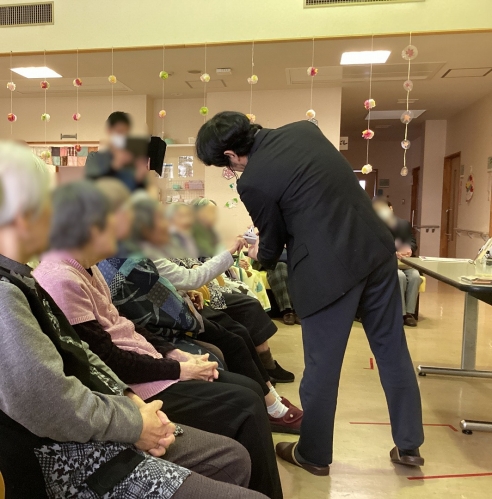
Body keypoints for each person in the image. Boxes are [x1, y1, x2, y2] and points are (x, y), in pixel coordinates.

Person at [0, 141, 267, 499]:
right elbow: (57, 400)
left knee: (232, 426)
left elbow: (86, 352)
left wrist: (134, 399)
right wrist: (137, 414)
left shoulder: (32, 277)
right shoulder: (30, 285)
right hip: (72, 458)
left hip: (119, 399)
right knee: (234, 376)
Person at [195, 112, 425, 475]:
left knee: (322, 367)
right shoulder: (305, 130)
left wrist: (258, 254)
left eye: (226, 166)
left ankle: (313, 454)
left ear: (230, 155)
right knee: (393, 351)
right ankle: (409, 446)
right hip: (375, 249)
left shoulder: (252, 181)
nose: (232, 171)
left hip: (327, 271)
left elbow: (271, 245)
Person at [132, 194, 296, 386]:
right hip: (189, 300)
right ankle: (265, 376)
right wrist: (189, 286)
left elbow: (176, 275)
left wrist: (189, 288)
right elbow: (187, 275)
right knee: (240, 323)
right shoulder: (150, 249)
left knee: (240, 322)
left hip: (191, 294)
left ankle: (265, 375)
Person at [373, 198, 422, 327]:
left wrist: (409, 249)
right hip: (387, 263)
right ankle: (401, 313)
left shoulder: (403, 224)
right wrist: (393, 253)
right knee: (400, 277)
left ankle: (410, 313)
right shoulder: (375, 226)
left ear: (391, 208)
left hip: (405, 262)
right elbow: (375, 247)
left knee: (415, 276)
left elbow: (412, 242)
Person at [85, 111, 150, 192]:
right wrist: (114, 166)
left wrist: (140, 177)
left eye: (126, 133)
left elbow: (138, 190)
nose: (122, 136)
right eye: (119, 131)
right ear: (109, 130)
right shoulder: (94, 157)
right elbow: (90, 185)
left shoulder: (131, 159)